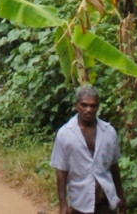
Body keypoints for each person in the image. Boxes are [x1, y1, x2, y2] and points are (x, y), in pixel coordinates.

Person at [51, 85, 126, 214]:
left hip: (106, 201)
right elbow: (61, 171)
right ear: (76, 106)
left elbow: (114, 167)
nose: (88, 110)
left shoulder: (109, 132)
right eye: (84, 105)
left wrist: (121, 196)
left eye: (93, 106)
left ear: (98, 107)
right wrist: (63, 205)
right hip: (79, 203)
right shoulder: (65, 134)